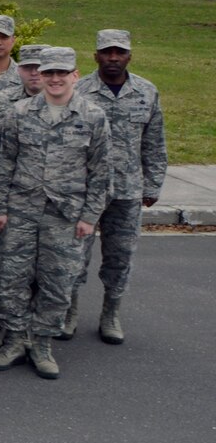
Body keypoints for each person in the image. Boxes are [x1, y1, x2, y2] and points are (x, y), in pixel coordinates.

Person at [0, 46, 111, 379]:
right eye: (48, 73)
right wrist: (0, 207)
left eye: (62, 73)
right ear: (39, 76)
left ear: (75, 75)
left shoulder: (93, 116)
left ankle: (42, 343)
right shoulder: (19, 112)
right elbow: (4, 163)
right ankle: (14, 340)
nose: (55, 79)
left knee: (57, 281)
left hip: (66, 214)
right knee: (12, 278)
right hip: (21, 210)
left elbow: (101, 172)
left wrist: (89, 216)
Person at [73, 29, 167, 345]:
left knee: (120, 255)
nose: (113, 58)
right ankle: (68, 310)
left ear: (129, 55)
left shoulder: (146, 91)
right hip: (85, 189)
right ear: (95, 55)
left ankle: (110, 313)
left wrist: (153, 184)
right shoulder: (80, 90)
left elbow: (154, 142)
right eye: (107, 52)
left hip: (127, 190)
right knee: (75, 254)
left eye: (119, 52)